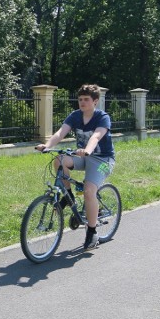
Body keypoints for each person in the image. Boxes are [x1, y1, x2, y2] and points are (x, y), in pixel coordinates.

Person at [34, 84, 115, 250]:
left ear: (95, 101)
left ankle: (92, 232)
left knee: (88, 190)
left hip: (102, 160)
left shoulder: (102, 117)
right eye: (80, 99)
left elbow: (96, 136)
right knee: (59, 160)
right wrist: (47, 145)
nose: (82, 102)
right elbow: (60, 133)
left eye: (86, 99)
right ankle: (68, 195)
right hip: (82, 156)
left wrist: (87, 150)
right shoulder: (75, 116)